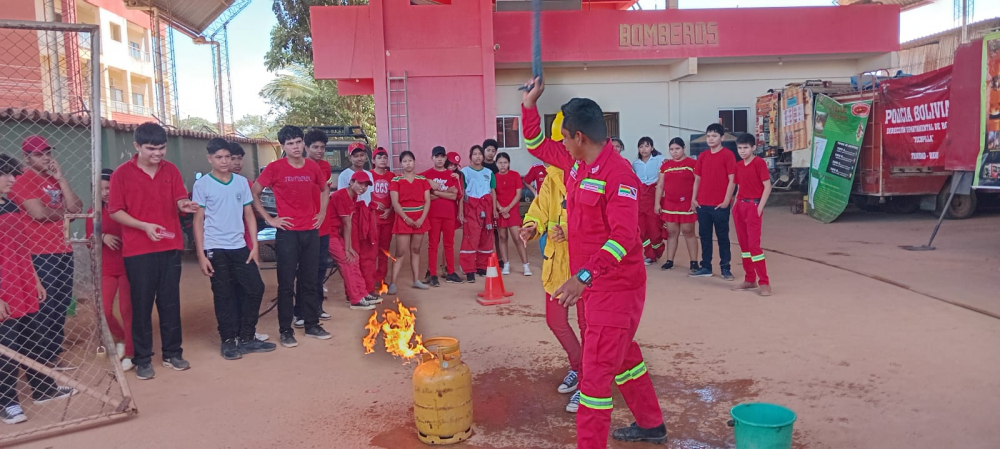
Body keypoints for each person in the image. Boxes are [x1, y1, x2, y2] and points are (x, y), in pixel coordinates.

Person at [521, 77, 666, 447]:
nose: (561, 145)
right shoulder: (576, 164)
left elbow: (624, 238)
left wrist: (584, 276)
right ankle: (651, 424)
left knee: (595, 382)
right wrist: (528, 106)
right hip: (594, 287)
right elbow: (536, 145)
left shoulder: (620, 177)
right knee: (625, 359)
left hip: (615, 290)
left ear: (579, 137)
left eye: (565, 137)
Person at [109, 123, 199, 379]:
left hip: (170, 247)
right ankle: (142, 358)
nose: (158, 153)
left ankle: (173, 353)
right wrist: (143, 226)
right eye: (151, 149)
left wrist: (185, 204)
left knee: (170, 302)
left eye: (162, 148)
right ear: (137, 147)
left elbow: (179, 199)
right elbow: (115, 211)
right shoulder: (121, 175)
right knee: (141, 305)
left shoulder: (170, 170)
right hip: (138, 251)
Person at [0, 154, 78, 425]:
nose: (12, 179)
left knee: (34, 336)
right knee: (7, 344)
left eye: (13, 174)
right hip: (4, 288)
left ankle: (43, 389)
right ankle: (7, 401)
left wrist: (35, 279)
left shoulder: (9, 205)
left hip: (23, 281)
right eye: (6, 175)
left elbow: (22, 246)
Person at [193, 138, 276, 360]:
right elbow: (198, 220)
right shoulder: (202, 185)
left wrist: (254, 246)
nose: (224, 161)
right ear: (210, 158)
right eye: (218, 157)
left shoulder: (240, 183)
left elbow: (249, 213)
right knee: (224, 295)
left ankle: (247, 337)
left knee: (255, 288)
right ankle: (228, 340)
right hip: (215, 248)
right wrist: (201, 255)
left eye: (227, 157)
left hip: (239, 246)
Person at [252, 125, 332, 349]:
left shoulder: (312, 167)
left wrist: (322, 213)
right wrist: (270, 219)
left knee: (310, 280)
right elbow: (255, 193)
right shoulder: (274, 168)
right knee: (286, 283)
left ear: (302, 143)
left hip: (310, 231)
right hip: (287, 233)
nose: (295, 147)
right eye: (290, 144)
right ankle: (285, 330)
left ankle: (311, 324)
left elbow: (325, 190)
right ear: (282, 146)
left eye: (298, 142)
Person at [8, 135, 83, 371]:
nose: (46, 157)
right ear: (27, 158)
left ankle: (52, 357)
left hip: (63, 249)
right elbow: (38, 214)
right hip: (39, 253)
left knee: (60, 305)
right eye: (39, 154)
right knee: (45, 308)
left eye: (48, 152)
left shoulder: (53, 178)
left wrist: (61, 180)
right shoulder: (22, 180)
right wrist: (63, 212)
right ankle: (40, 362)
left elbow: (76, 207)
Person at [520, 163, 585, 414]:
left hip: (585, 267)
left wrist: (568, 232)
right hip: (556, 265)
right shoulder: (551, 177)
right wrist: (531, 226)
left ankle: (589, 382)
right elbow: (540, 209)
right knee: (555, 321)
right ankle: (580, 368)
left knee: (587, 325)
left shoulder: (593, 174)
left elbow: (597, 221)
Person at [85, 169, 134, 371]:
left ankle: (131, 352)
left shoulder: (125, 209)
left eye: (109, 188)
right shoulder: (92, 213)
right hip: (106, 268)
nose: (105, 192)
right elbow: (89, 240)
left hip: (128, 267)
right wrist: (102, 236)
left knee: (127, 310)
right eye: (101, 189)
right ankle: (121, 337)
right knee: (102, 310)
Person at [227, 141, 269, 343]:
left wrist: (266, 218)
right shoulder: (211, 184)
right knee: (232, 289)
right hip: (225, 246)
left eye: (238, 158)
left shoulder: (246, 184)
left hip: (246, 243)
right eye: (232, 158)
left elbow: (253, 211)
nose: (236, 162)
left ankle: (247, 331)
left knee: (250, 288)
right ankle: (234, 333)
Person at [295, 130, 334, 327]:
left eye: (322, 147)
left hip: (323, 226)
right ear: (306, 148)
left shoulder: (325, 167)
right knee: (304, 271)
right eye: (315, 147)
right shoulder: (298, 166)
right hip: (304, 226)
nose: (319, 151)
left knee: (320, 269)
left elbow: (325, 192)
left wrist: (322, 214)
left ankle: (317, 307)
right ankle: (300, 311)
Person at [328, 172, 380, 310]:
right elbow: (347, 223)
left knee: (354, 259)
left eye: (365, 185)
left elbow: (348, 221)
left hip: (336, 233)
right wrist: (347, 247)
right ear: (351, 182)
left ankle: (362, 293)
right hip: (327, 233)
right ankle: (355, 299)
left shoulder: (354, 195)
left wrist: (349, 247)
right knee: (347, 260)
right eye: (360, 183)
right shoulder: (341, 195)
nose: (362, 187)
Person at [690, 123, 736, 280]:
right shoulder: (702, 156)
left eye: (714, 136)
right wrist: (693, 199)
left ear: (722, 138)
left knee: (722, 236)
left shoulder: (728, 155)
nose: (711, 139)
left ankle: (725, 268)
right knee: (705, 236)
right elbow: (697, 180)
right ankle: (706, 267)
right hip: (703, 204)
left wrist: (726, 201)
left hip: (719, 205)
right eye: (708, 136)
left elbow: (732, 180)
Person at [731, 133, 773, 296]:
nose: (742, 151)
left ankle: (764, 282)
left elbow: (767, 186)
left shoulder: (759, 163)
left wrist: (759, 207)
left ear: (753, 148)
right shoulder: (738, 165)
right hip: (740, 206)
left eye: (745, 148)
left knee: (754, 246)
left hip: (753, 206)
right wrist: (735, 205)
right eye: (740, 148)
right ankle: (750, 279)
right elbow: (739, 186)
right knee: (744, 246)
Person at [388, 151, 432, 292]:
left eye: (410, 160)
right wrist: (406, 218)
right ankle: (393, 283)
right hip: (403, 219)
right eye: (405, 161)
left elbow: (427, 201)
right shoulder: (396, 180)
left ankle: (416, 280)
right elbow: (395, 203)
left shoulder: (422, 180)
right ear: (401, 164)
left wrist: (421, 219)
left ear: (414, 162)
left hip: (419, 219)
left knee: (416, 250)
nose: (408, 163)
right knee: (400, 252)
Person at [654, 138, 699, 273]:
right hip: (670, 204)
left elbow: (698, 183)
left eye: (677, 149)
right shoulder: (665, 166)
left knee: (688, 231)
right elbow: (660, 185)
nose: (674, 152)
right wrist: (657, 203)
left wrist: (694, 200)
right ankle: (670, 260)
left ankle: (694, 262)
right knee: (671, 233)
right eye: (672, 150)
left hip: (687, 203)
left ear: (683, 148)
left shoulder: (693, 163)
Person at [420, 146, 463, 286]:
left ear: (445, 158)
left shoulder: (452, 175)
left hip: (449, 214)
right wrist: (428, 182)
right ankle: (432, 274)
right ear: (432, 158)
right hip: (433, 214)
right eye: (436, 157)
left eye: (442, 157)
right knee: (433, 244)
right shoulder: (427, 174)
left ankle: (450, 272)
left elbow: (454, 195)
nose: (439, 159)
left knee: (449, 244)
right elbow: (414, 177)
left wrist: (436, 193)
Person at [459, 145, 496, 283]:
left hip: (486, 208)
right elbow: (461, 193)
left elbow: (492, 191)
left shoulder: (489, 172)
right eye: (474, 154)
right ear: (470, 157)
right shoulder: (464, 172)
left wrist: (494, 209)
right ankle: (469, 270)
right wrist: (461, 211)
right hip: (471, 208)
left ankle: (482, 266)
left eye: (479, 154)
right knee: (471, 238)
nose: (478, 156)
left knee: (486, 237)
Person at [492, 152, 531, 276]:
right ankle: (506, 264)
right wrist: (500, 209)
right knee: (502, 238)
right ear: (496, 164)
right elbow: (493, 195)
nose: (503, 165)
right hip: (500, 210)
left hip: (512, 210)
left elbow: (518, 194)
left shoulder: (515, 175)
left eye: (505, 163)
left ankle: (526, 266)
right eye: (500, 163)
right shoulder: (494, 177)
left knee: (518, 238)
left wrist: (508, 208)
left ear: (508, 163)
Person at [632, 137, 665, 265]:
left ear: (652, 147)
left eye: (646, 146)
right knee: (642, 228)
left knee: (654, 227)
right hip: (640, 197)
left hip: (653, 195)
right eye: (641, 146)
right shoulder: (635, 164)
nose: (644, 149)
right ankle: (649, 254)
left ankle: (658, 250)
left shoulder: (660, 160)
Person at [370, 147, 395, 293]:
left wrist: (390, 209)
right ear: (373, 161)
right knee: (372, 250)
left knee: (384, 251)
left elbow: (396, 197)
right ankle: (370, 278)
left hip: (387, 219)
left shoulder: (392, 176)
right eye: (379, 158)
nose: (383, 160)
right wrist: (373, 205)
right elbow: (363, 196)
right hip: (373, 220)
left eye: (385, 157)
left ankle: (381, 279)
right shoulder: (369, 175)